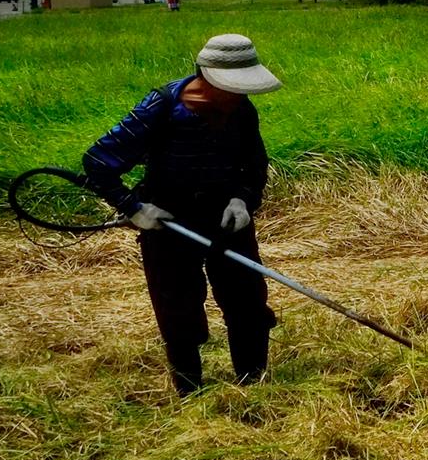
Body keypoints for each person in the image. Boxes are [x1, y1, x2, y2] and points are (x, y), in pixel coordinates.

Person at [82, 34, 282, 394]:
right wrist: (133, 208)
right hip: (169, 222)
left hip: (226, 218)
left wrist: (243, 199)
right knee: (178, 309)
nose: (239, 96)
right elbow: (98, 161)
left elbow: (254, 164)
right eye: (232, 89)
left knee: (247, 301)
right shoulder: (160, 107)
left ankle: (254, 384)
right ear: (208, 79)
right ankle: (191, 392)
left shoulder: (242, 109)